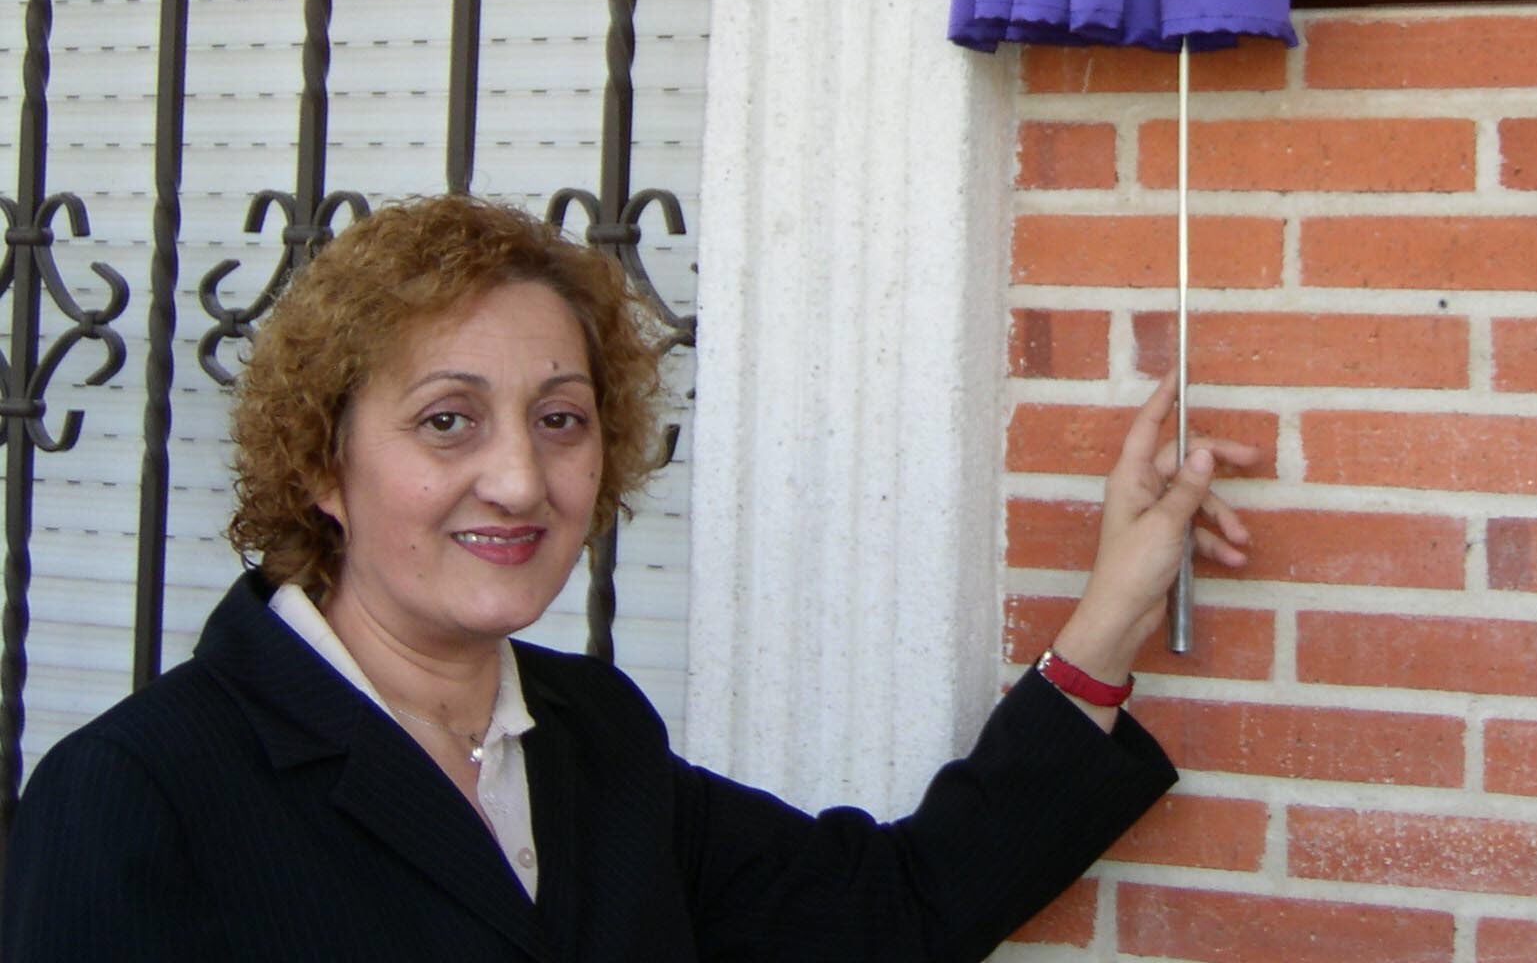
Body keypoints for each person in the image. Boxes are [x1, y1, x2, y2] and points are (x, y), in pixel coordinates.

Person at [1, 194, 1255, 960]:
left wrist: (1107, 616)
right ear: (321, 463)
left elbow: (889, 911)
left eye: (561, 418)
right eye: (447, 421)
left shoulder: (591, 736)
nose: (519, 479)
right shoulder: (135, 791)